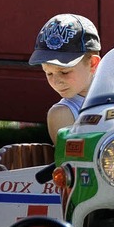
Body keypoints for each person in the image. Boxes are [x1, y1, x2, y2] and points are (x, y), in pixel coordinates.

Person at [29, 14, 102, 144]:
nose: (56, 82)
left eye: (64, 72)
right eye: (49, 73)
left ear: (92, 64)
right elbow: (74, 161)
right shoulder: (63, 114)